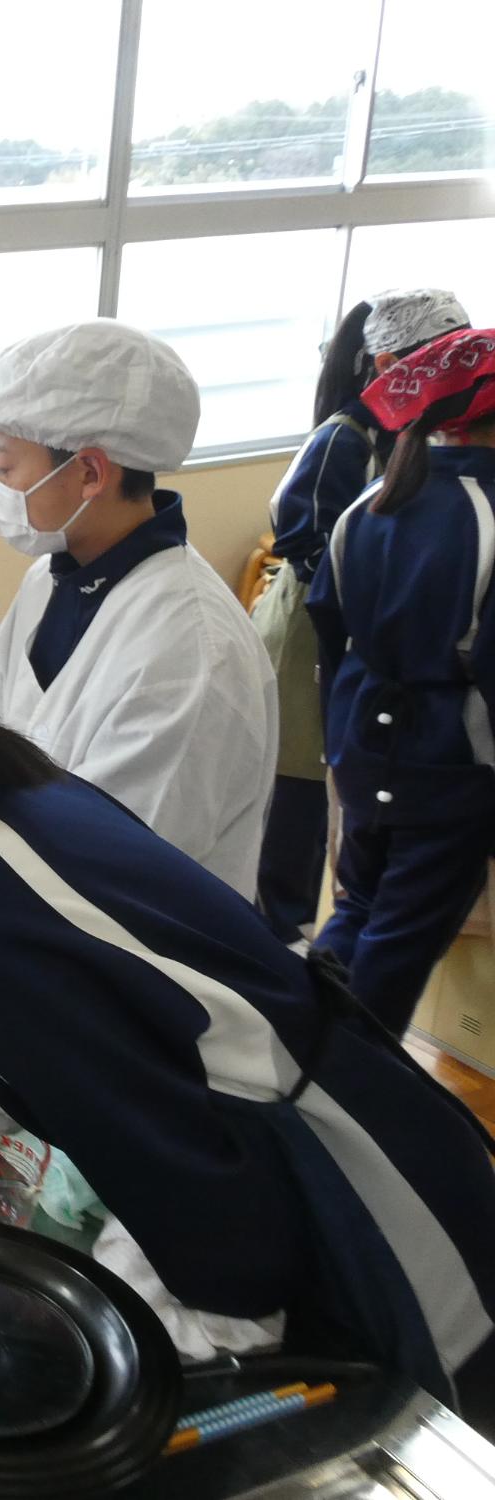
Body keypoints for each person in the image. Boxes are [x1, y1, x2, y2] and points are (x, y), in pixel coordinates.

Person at [0, 594, 495, 1427]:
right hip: (357, 1113)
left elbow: (155, 1140)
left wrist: (217, 1321)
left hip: (352, 1188)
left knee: (437, 1425)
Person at [0, 319, 277, 898]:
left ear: (89, 472)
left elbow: (116, 861)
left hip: (134, 934)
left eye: (7, 467)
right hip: (28, 896)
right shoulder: (52, 578)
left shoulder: (192, 650)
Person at [256, 289, 471, 941]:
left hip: (372, 640)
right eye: (442, 360)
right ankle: (278, 941)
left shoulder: (430, 437)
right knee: (297, 798)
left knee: (347, 798)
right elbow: (304, 540)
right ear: (386, 367)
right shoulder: (342, 438)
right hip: (309, 638)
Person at [308, 326, 495, 1036]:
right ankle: (357, 1080)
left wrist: (341, 742)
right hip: (452, 760)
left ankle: (300, 1045)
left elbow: (332, 632)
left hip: (361, 744)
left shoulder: (370, 504)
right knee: (404, 935)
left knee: (357, 905)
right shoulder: (488, 511)